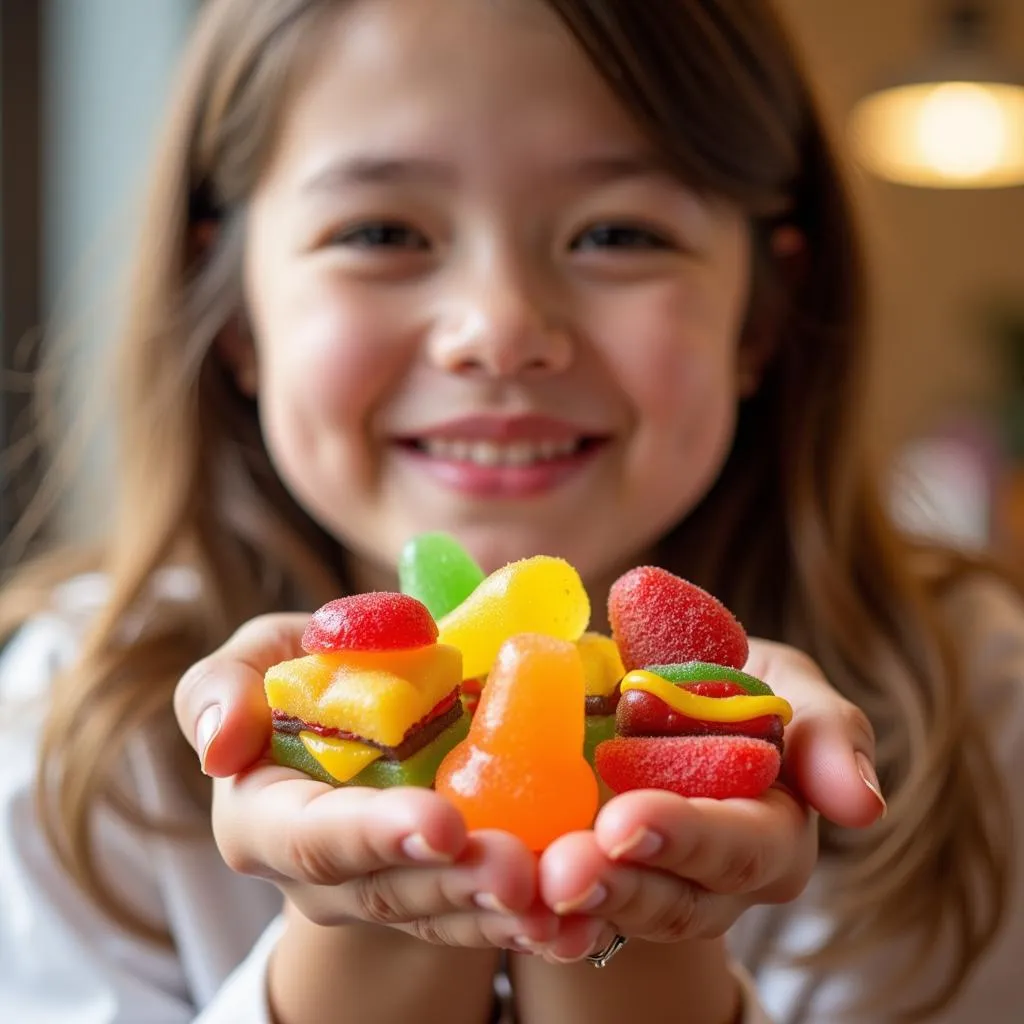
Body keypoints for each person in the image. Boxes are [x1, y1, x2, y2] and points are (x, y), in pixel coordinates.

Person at [0, 0, 1020, 1020]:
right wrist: (353, 954)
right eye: (381, 231)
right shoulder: (68, 719)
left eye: (616, 233)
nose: (498, 330)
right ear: (231, 310)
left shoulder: (967, 710)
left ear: (760, 314)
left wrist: (651, 955)